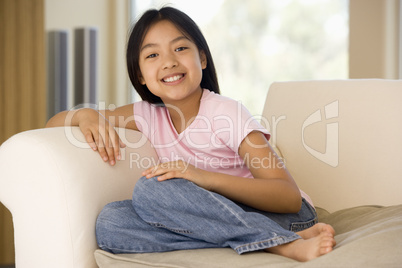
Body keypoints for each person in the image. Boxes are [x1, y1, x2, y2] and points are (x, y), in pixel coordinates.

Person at [46, 6, 335, 262]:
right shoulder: (146, 114)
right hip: (212, 218)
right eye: (153, 55)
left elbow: (288, 196)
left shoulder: (226, 113)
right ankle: (248, 238)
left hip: (286, 217)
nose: (169, 61)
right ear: (140, 76)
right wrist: (86, 115)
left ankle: (281, 244)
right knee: (111, 222)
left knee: (151, 188)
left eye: (180, 48)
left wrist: (203, 177)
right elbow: (51, 126)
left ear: (203, 59)